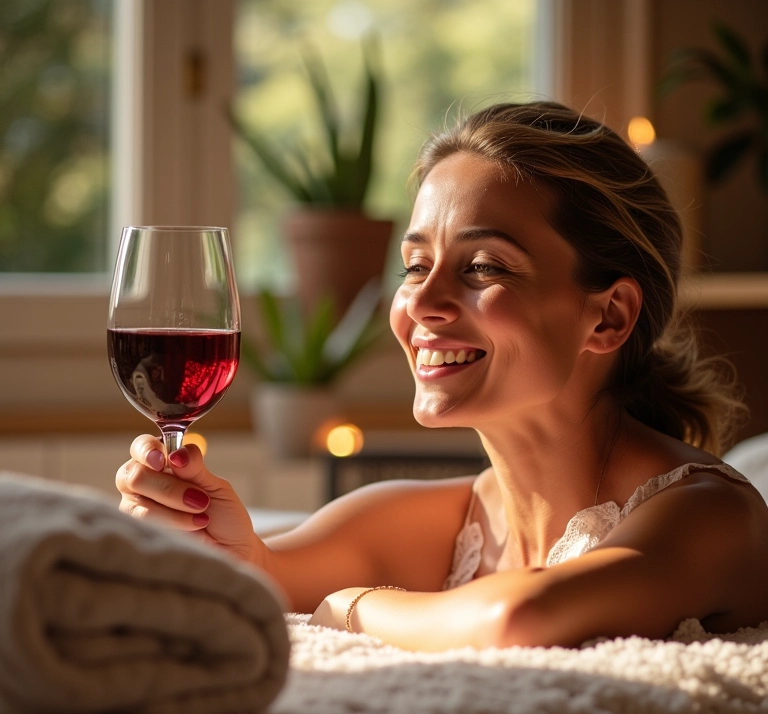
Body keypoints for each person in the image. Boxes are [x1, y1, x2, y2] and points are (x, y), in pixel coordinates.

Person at [116, 101, 768, 651]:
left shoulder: (711, 513)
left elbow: (520, 618)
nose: (422, 304)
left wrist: (348, 607)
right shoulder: (443, 518)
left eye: (483, 267)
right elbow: (259, 572)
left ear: (609, 316)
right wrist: (198, 531)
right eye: (415, 264)